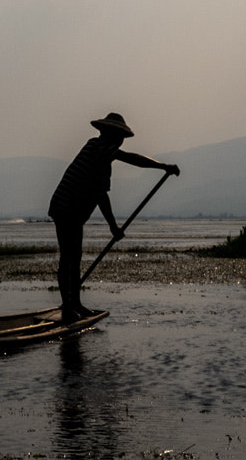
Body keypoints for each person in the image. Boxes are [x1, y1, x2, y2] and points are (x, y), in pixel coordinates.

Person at [48, 113, 179, 320]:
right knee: (68, 257)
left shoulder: (103, 162)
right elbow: (130, 158)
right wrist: (162, 166)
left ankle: (75, 304)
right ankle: (67, 307)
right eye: (119, 137)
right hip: (66, 206)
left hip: (73, 210)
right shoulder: (97, 146)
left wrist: (113, 227)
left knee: (76, 255)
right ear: (110, 134)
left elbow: (101, 195)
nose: (120, 141)